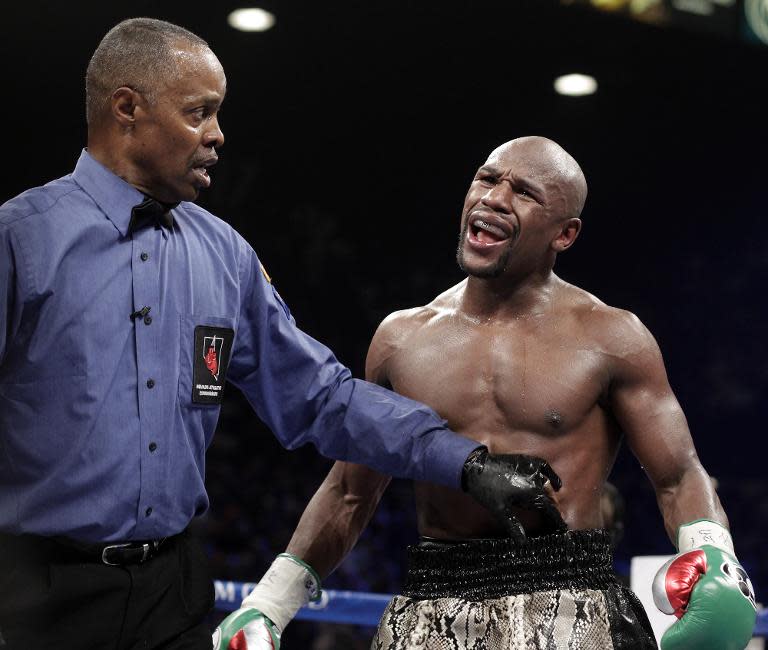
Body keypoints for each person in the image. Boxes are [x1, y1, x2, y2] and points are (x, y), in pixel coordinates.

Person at [0, 20, 561, 650]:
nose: (217, 135)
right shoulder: (22, 240)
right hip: (32, 597)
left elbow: (319, 397)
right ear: (127, 108)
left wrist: (466, 462)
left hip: (172, 593)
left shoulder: (224, 255)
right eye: (198, 113)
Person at [218, 137, 758, 650]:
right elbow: (349, 493)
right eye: (486, 178)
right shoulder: (402, 338)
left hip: (569, 600)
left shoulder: (611, 336)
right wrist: (268, 604)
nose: (494, 198)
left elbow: (679, 474)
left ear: (563, 234)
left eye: (524, 192)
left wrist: (714, 557)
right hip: (434, 605)